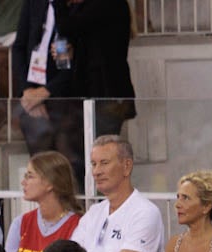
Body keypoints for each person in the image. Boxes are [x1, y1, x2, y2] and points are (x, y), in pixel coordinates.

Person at [12, 0, 134, 168]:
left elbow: (69, 32)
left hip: (99, 96)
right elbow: (20, 46)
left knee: (92, 164)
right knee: (49, 166)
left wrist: (48, 91)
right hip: (56, 98)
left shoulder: (102, 5)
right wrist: (28, 91)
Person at [72, 136, 164, 252]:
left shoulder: (144, 212)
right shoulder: (93, 213)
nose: (96, 171)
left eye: (104, 163)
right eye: (93, 164)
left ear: (126, 166)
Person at [4, 151, 82, 252]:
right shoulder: (21, 222)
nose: (23, 182)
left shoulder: (77, 225)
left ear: (49, 184)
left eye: (30, 176)